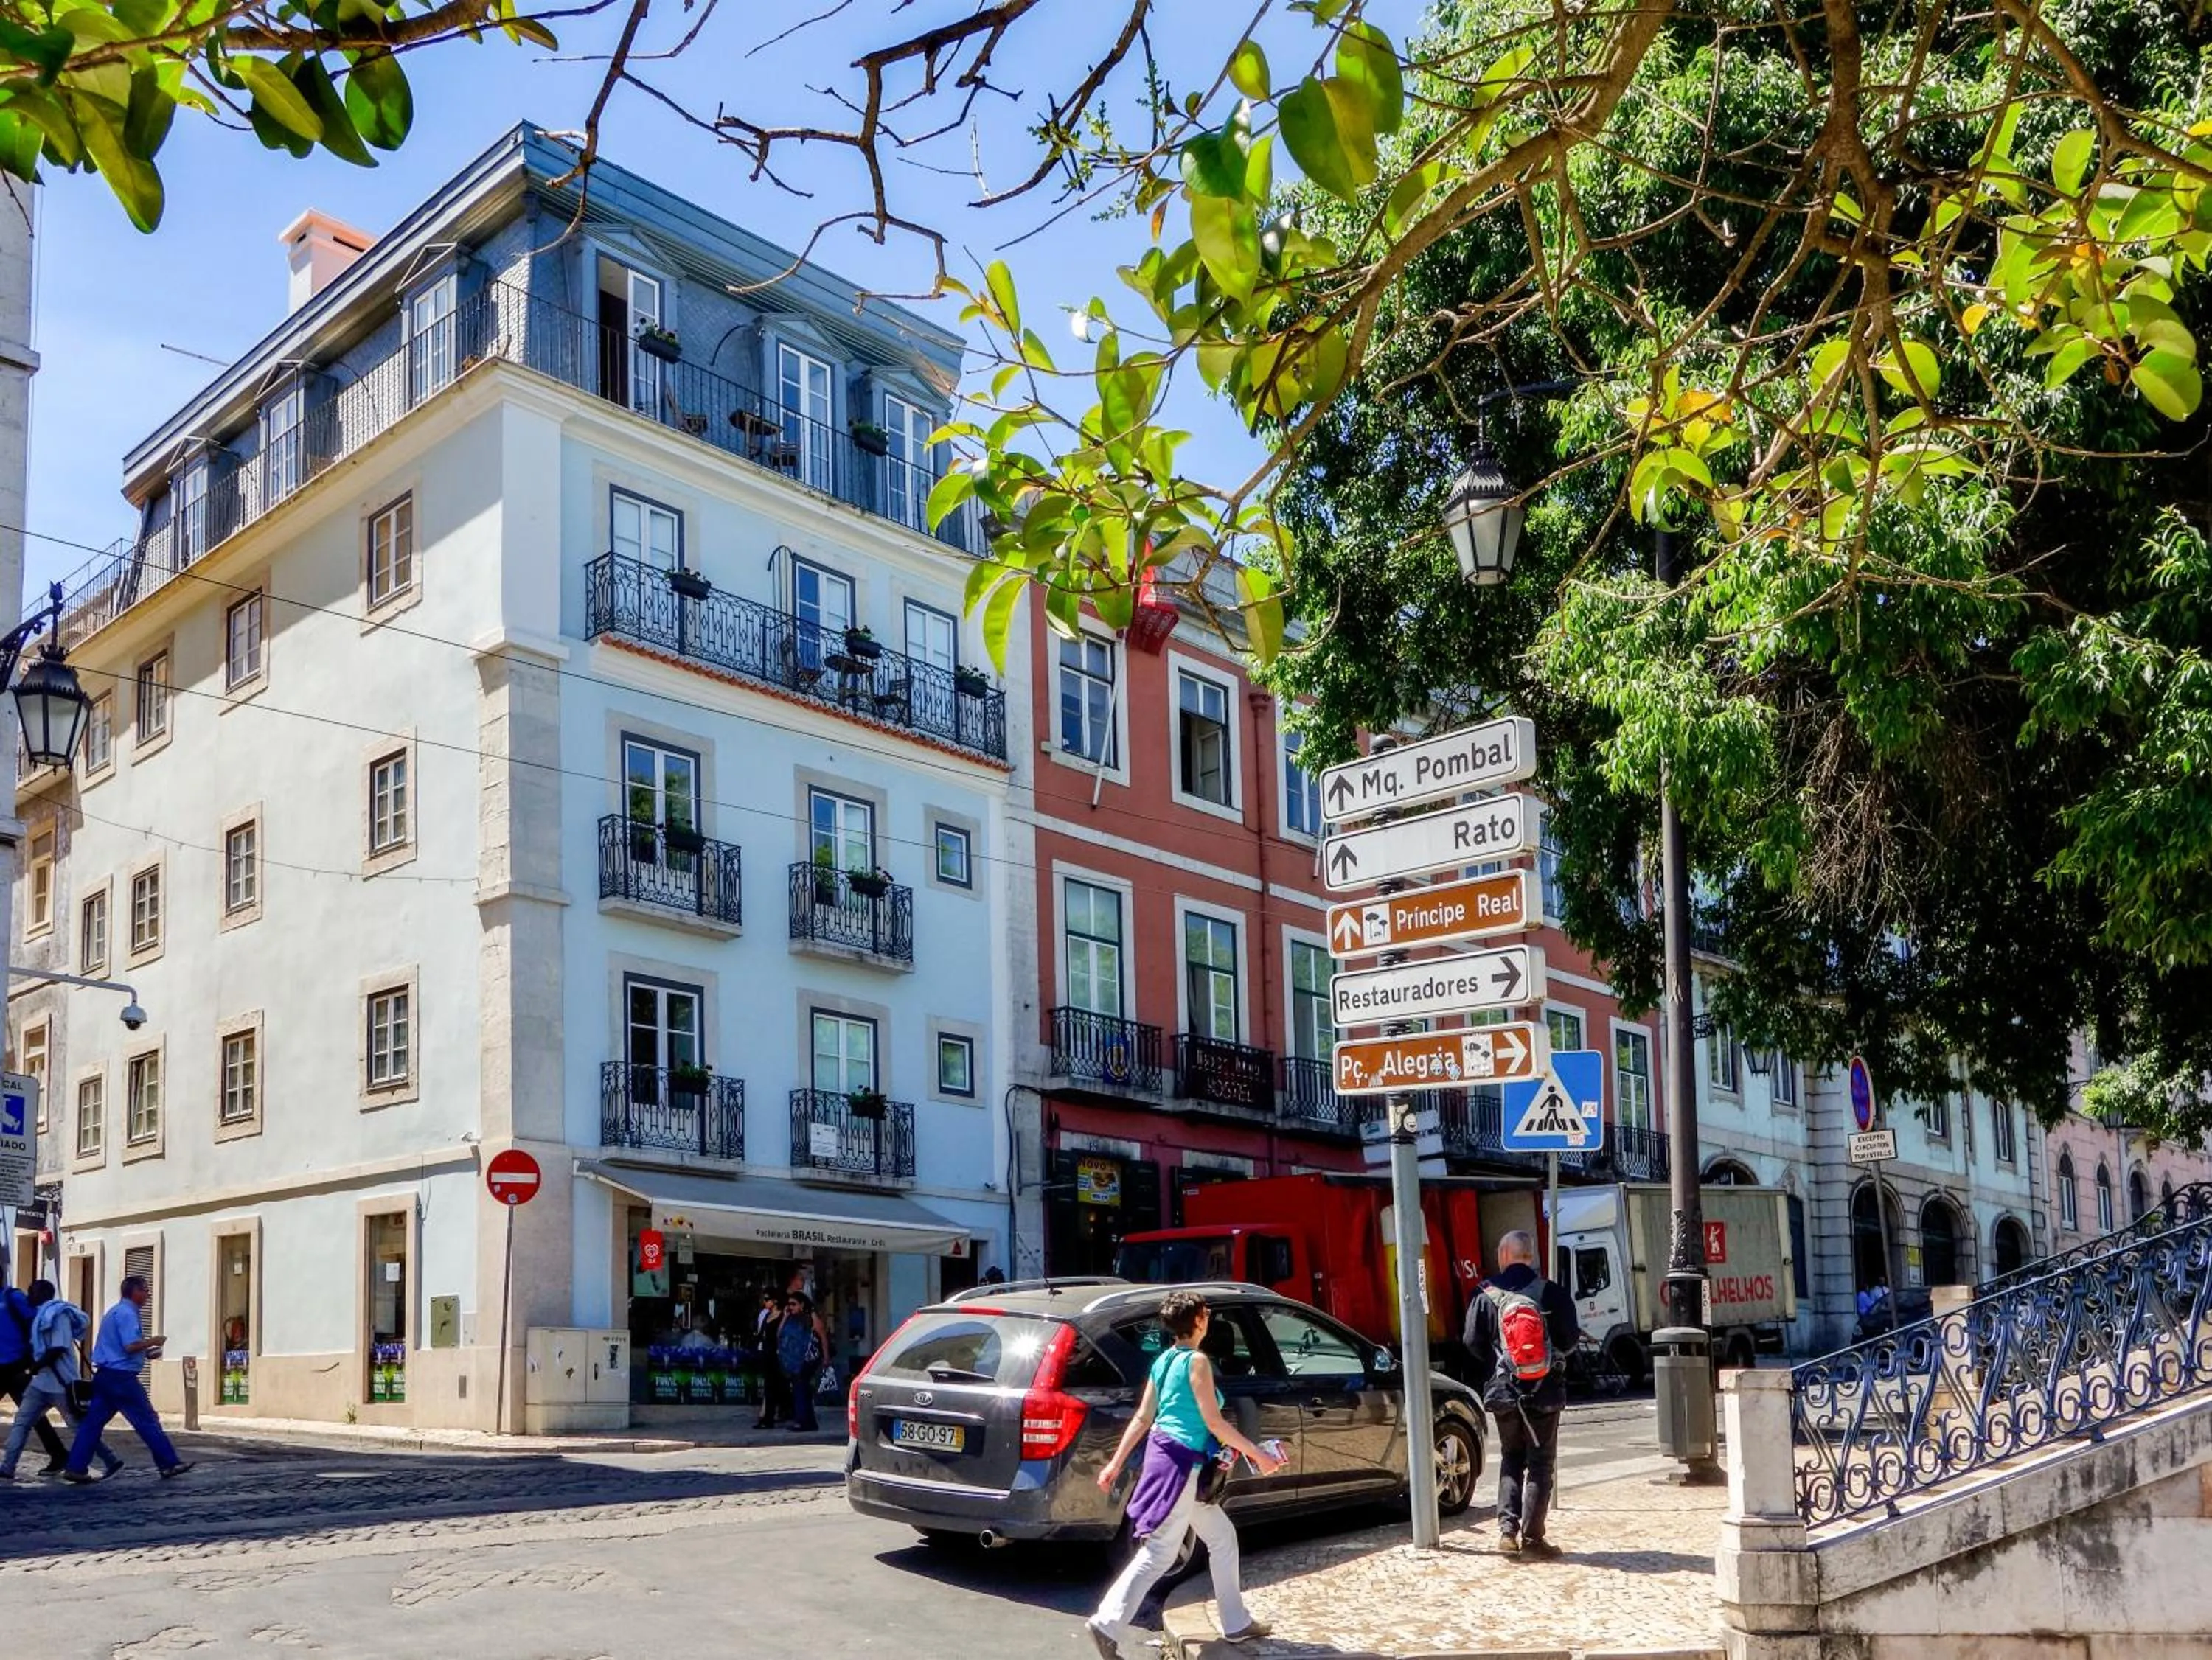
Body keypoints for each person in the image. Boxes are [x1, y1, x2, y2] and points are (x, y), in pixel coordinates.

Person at [1087, 1291, 1285, 1656]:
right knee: (1160, 1552)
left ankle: (1236, 1622)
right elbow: (1212, 1420)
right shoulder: (1197, 1362)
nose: (1209, 1316)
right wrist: (1256, 1453)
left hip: (1171, 1461)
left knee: (1222, 1537)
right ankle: (1107, 1622)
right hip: (1181, 1466)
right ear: (1197, 1321)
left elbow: (1145, 1418)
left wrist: (1116, 1464)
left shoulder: (1163, 1361)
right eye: (1206, 1312)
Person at [1464, 1230, 1579, 1559]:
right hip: (1545, 1391)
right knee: (1541, 1463)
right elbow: (1570, 1340)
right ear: (1530, 1256)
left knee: (1511, 1457)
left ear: (1503, 1256)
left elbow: (1471, 1342)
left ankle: (1507, 1532)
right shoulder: (1552, 1293)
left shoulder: (1485, 1294)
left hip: (1503, 1392)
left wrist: (1498, 1363)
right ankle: (1533, 1538)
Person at [60, 1275, 192, 1483]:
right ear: (136, 1292)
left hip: (105, 1376)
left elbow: (122, 1348)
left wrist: (146, 1353)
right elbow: (130, 1346)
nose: (148, 1294)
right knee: (147, 1420)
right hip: (121, 1378)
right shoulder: (128, 1314)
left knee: (92, 1424)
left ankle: (76, 1466)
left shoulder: (115, 1312)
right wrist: (152, 1342)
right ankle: (169, 1463)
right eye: (146, 1290)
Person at [2, 1280, 120, 1481]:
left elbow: (58, 1348)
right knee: (22, 1422)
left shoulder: (59, 1315)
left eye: (32, 1292)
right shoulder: (41, 1316)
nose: (28, 1295)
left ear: (42, 1293)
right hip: (41, 1383)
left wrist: (34, 1368)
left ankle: (111, 1459)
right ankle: (8, 1467)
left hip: (60, 1383)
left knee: (77, 1427)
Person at [0, 1256, 70, 1475]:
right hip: (1, 1366)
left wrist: (34, 1359)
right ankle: (59, 1454)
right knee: (32, 1415)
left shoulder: (13, 1298)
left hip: (18, 1365)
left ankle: (59, 1455)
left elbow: (39, 1321)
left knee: (33, 1415)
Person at [776, 1292, 822, 1432]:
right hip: (793, 1360)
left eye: (794, 1304)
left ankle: (803, 1421)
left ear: (802, 1304)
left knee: (801, 1389)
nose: (791, 1307)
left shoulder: (810, 1317)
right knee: (801, 1390)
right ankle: (808, 1421)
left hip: (806, 1359)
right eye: (789, 1304)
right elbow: (779, 1334)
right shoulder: (790, 1318)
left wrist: (826, 1357)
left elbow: (822, 1335)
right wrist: (785, 1316)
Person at [753, 1293, 787, 1429]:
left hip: (776, 1354)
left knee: (774, 1386)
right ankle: (766, 1416)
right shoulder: (767, 1315)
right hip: (766, 1352)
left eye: (768, 1299)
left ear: (775, 1301)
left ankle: (771, 1417)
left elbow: (780, 1334)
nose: (765, 1302)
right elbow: (761, 1333)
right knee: (768, 1386)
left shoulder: (781, 1316)